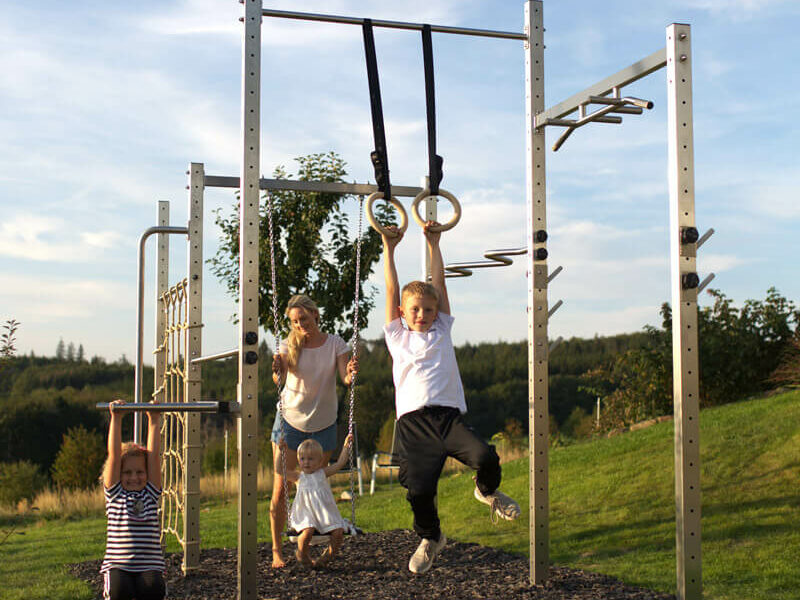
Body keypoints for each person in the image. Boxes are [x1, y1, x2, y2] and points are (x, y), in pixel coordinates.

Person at [381, 221, 521, 575]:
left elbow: (439, 284)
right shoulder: (397, 336)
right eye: (415, 309)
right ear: (403, 312)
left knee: (486, 457)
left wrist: (434, 243)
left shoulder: (442, 328)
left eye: (428, 309)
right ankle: (431, 537)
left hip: (448, 419)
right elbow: (390, 288)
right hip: (414, 425)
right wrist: (389, 248)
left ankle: (486, 491)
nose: (423, 315)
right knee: (418, 490)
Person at [269, 294, 359, 568]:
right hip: (290, 421)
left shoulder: (335, 344)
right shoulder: (287, 345)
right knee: (281, 488)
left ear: (315, 315)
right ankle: (276, 550)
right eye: (295, 322)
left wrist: (351, 373)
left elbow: (345, 378)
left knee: (318, 486)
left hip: (323, 425)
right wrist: (276, 371)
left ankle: (314, 542)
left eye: (303, 319)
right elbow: (280, 379)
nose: (299, 325)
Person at [100, 399, 166, 600]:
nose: (134, 477)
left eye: (139, 472)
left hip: (149, 564)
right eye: (127, 472)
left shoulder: (150, 492)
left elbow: (154, 457)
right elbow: (113, 455)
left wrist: (153, 420)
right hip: (119, 564)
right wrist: (117, 418)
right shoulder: (115, 493)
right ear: (118, 474)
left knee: (153, 589)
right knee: (119, 591)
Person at [278, 434, 354, 568]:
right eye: (302, 459)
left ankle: (328, 555)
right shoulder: (298, 477)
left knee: (338, 532)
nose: (306, 462)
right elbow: (279, 469)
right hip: (306, 514)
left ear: (320, 461)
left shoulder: (323, 473)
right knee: (307, 531)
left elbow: (340, 463)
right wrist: (281, 451)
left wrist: (346, 446)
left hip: (324, 514)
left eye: (311, 459)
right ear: (298, 460)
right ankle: (302, 555)